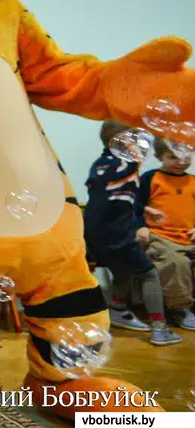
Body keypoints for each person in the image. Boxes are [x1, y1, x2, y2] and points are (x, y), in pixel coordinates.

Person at [83, 122, 179, 346]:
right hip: (116, 232)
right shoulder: (126, 164)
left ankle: (117, 309)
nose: (141, 146)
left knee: (123, 269)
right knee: (148, 273)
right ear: (124, 143)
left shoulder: (101, 163)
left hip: (95, 231)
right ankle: (160, 329)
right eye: (137, 140)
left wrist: (144, 209)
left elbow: (108, 196)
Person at [138, 138, 195, 330]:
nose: (181, 162)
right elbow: (133, 206)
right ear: (158, 157)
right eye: (173, 157)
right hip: (160, 236)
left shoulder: (193, 181)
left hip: (189, 236)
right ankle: (180, 309)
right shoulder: (150, 178)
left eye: (186, 157)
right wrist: (141, 225)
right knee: (175, 263)